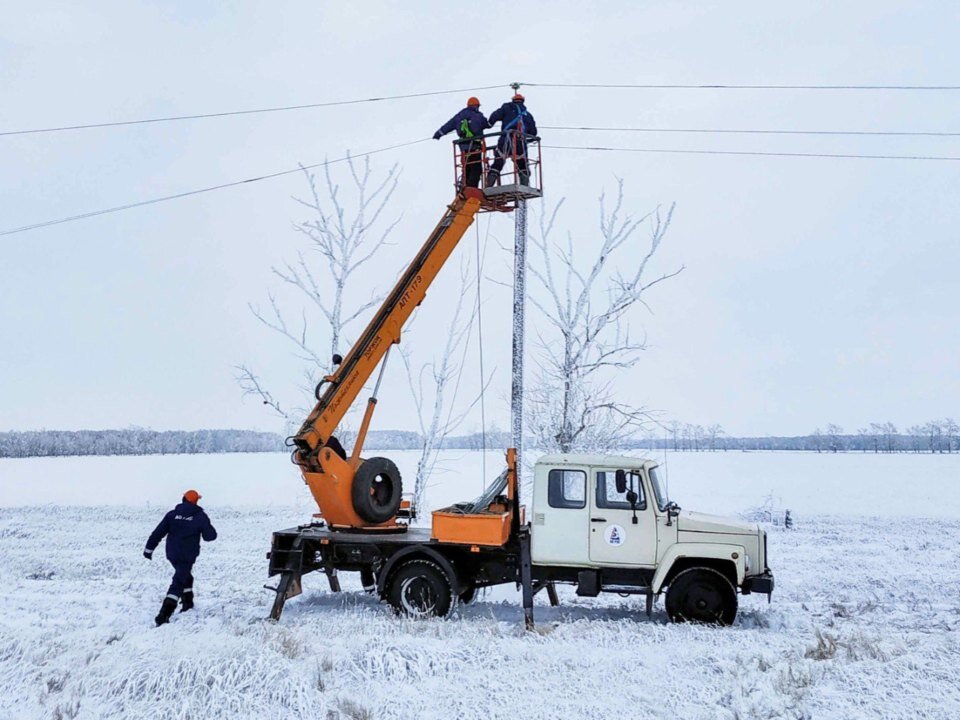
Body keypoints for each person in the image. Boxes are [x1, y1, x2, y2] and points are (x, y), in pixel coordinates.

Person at [144, 489, 217, 626]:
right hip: (187, 556)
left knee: (186, 576)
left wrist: (148, 550)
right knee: (178, 582)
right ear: (195, 502)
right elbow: (210, 536)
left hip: (172, 554)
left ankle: (188, 604)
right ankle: (164, 614)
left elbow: (157, 533)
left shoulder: (172, 515)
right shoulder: (200, 516)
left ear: (183, 499)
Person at [433, 97, 489, 189]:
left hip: (464, 148)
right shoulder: (478, 115)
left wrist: (438, 134)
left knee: (467, 167)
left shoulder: (459, 116)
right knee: (476, 169)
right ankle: (472, 189)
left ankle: (464, 187)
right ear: (476, 106)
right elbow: (487, 124)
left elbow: (448, 125)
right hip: (475, 146)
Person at [486, 92, 538, 187]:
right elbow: (533, 132)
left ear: (513, 101)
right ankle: (524, 188)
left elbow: (495, 115)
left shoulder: (506, 108)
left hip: (505, 139)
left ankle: (489, 185)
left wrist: (489, 124)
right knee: (522, 164)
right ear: (523, 101)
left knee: (498, 162)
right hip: (520, 142)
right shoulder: (527, 115)